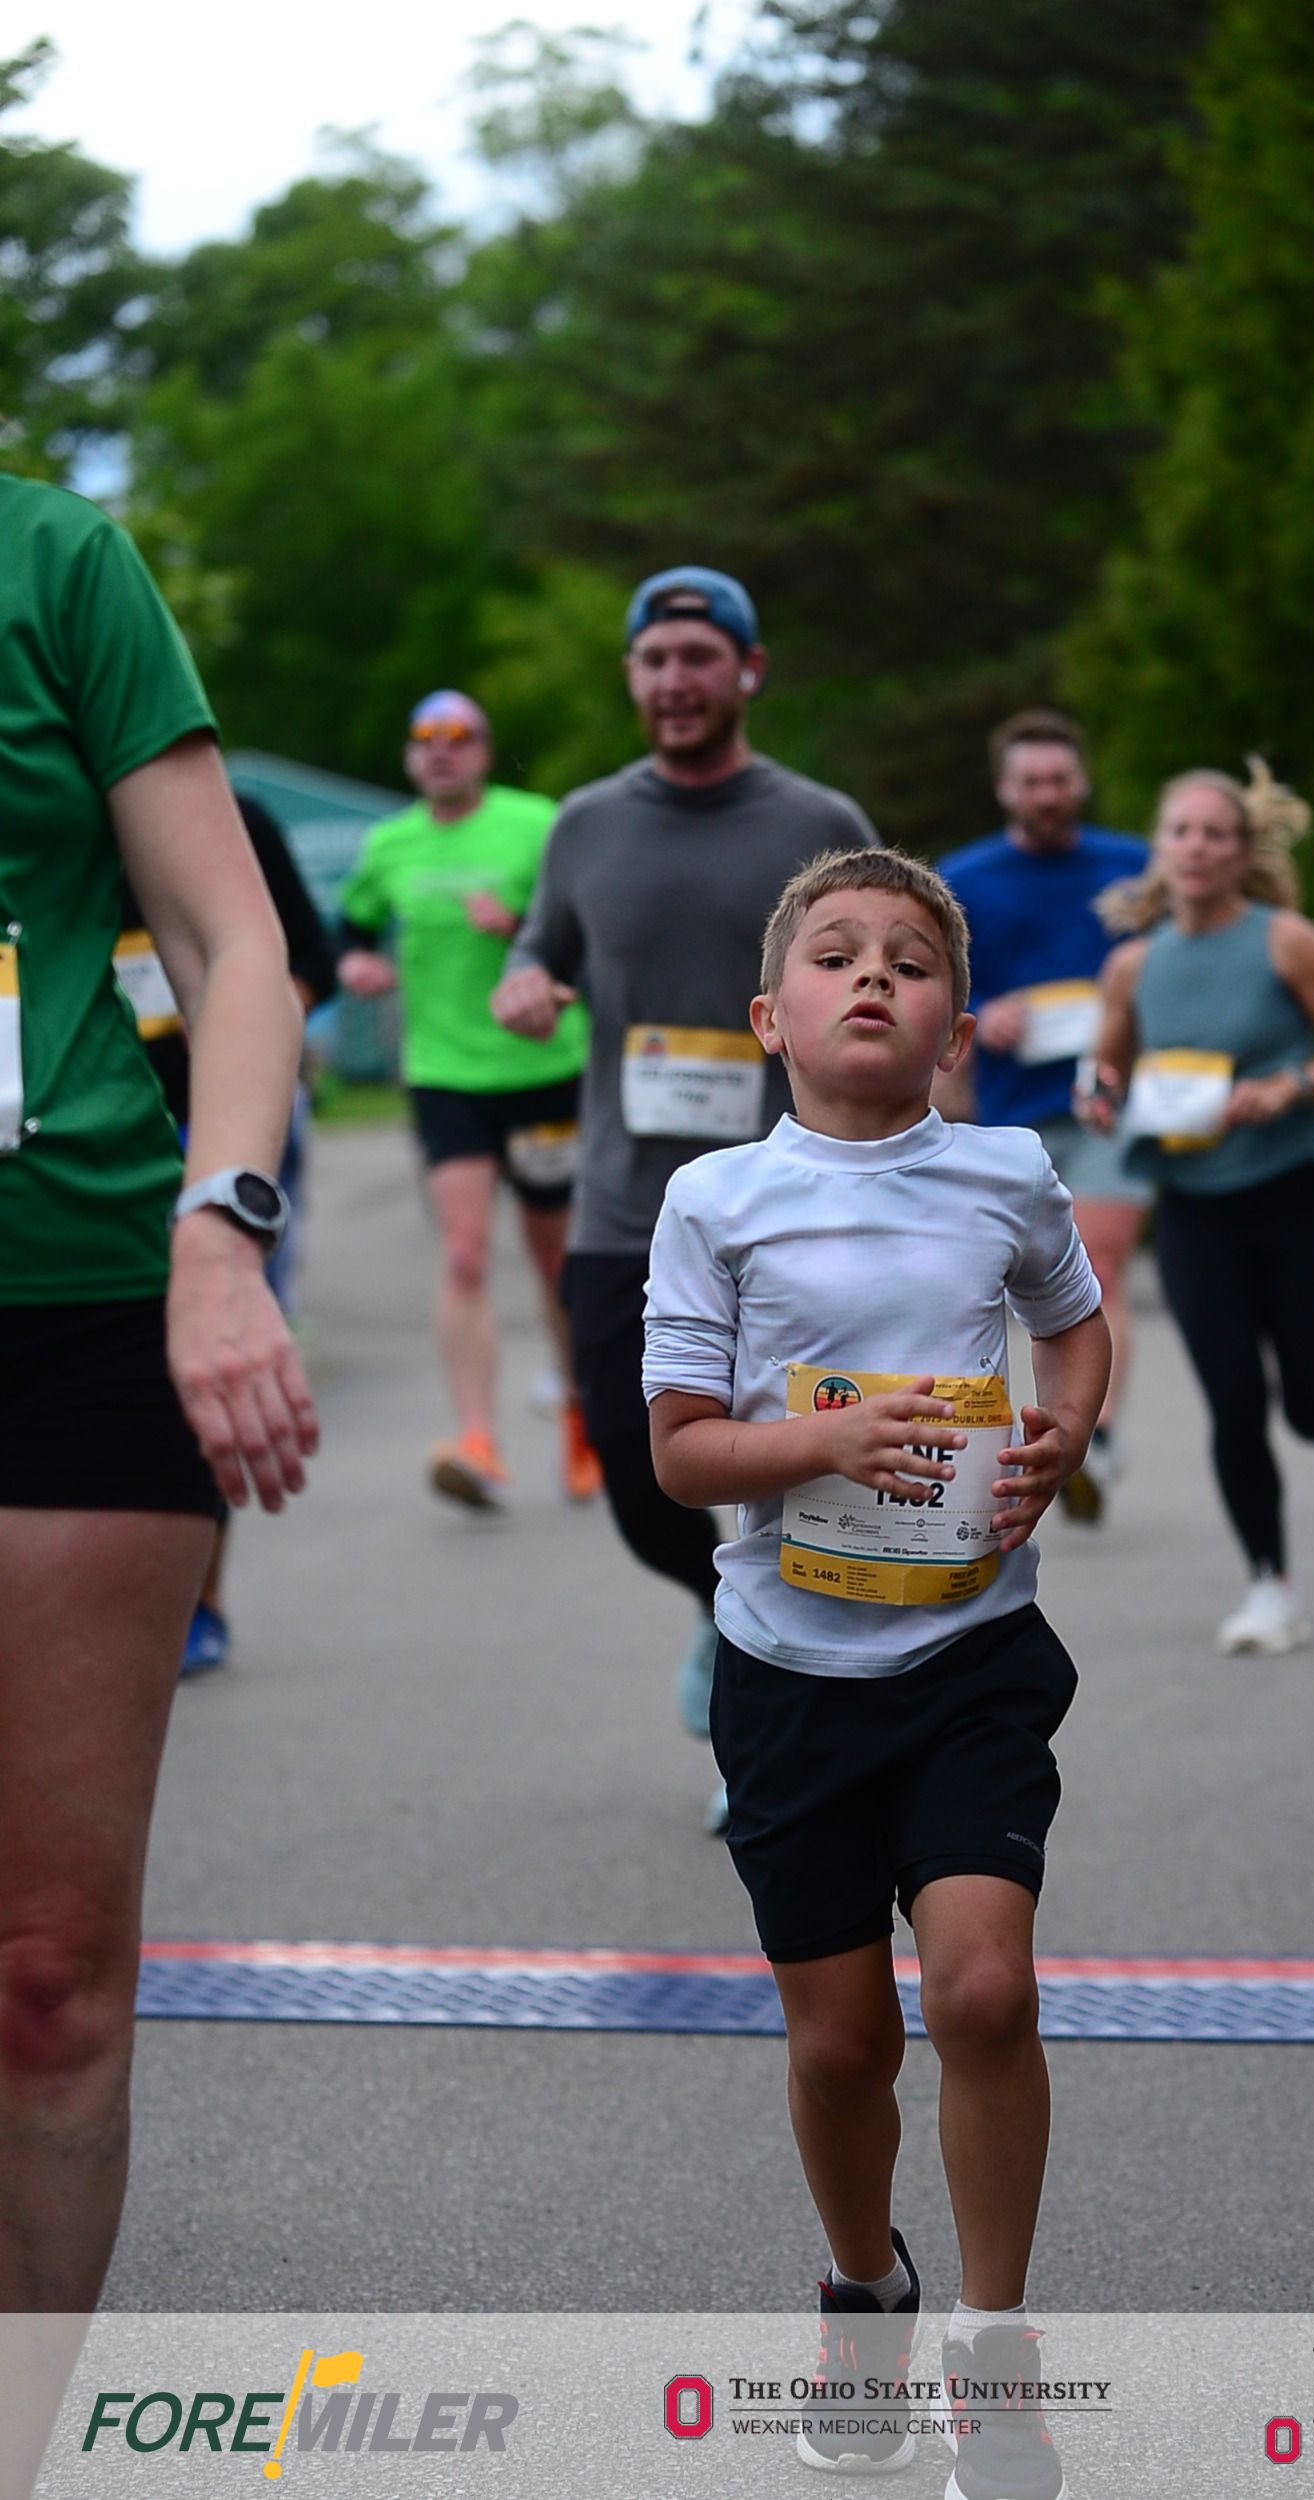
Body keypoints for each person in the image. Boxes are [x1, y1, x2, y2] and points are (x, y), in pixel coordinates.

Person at [644, 849, 1109, 2499]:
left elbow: (1073, 1321)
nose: (871, 978)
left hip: (973, 1655)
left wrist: (1067, 1426)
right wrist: (821, 1444)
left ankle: (995, 2345)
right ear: (769, 1018)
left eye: (908, 964)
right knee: (843, 2046)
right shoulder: (714, 1202)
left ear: (953, 1030)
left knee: (984, 1992)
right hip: (787, 1672)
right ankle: (863, 2292)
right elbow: (681, 1455)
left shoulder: (1005, 1172)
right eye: (835, 956)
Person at [0, 473, 315, 2344]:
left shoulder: (55, 561)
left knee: (45, 1977)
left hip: (77, 1307)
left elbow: (231, 943)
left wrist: (222, 1235)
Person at [492, 568, 877, 1827]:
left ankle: (771, 1739)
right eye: (654, 660)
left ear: (747, 671)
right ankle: (725, 1613)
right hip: (627, 1213)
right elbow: (539, 948)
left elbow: (889, 970)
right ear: (631, 677)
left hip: (791, 1207)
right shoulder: (585, 825)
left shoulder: (817, 822)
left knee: (791, 1475)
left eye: (699, 658)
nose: (675, 680)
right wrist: (523, 985)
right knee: (638, 1474)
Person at [1081, 759, 1314, 1654]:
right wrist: (1100, 1097)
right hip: (1194, 1209)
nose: (1197, 847)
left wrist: (1291, 1086)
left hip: (1296, 1198)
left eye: (1216, 833)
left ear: (1244, 852)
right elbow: (1105, 1069)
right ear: (1160, 847)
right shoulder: (1134, 965)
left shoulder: (1286, 942)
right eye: (1181, 831)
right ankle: (1268, 1586)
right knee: (1234, 1400)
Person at [336, 691, 600, 1509]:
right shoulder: (389, 843)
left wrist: (516, 923)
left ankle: (580, 1420)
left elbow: (585, 927)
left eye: (460, 737)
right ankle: (478, 1442)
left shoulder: (536, 825)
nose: (442, 749)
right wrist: (354, 964)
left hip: (542, 1066)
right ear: (411, 757)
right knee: (463, 1254)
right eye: (426, 737)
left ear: (485, 751)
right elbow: (352, 926)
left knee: (554, 1258)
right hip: (444, 1072)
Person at [117, 789, 337, 1671]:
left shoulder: (225, 814)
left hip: (204, 1131)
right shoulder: (40, 811)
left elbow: (304, 960)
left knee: (193, 1369)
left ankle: (198, 1598)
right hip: (80, 1139)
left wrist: (234, 1023)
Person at [939, 709, 1149, 1524]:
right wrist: (983, 1010)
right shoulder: (965, 877)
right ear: (1004, 789)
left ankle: (1096, 1432)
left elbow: (1179, 955)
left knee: (1099, 1263)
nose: (1048, 794)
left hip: (1111, 1100)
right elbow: (936, 975)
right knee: (1018, 1279)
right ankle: (1035, 1426)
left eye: (1059, 779)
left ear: (1081, 781)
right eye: (1031, 782)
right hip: (1009, 1111)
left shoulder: (1133, 867)